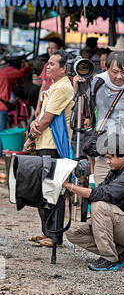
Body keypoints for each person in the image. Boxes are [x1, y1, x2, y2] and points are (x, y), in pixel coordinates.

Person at [63, 133, 124, 271]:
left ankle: (109, 259)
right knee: (73, 232)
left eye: (110, 158)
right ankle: (119, 251)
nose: (107, 162)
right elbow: (98, 191)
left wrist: (68, 186)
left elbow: (101, 195)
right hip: (120, 224)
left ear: (123, 156)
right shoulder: (117, 170)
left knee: (100, 206)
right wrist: (84, 183)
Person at [23, 50, 74, 248]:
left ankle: (55, 236)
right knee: (43, 191)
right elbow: (41, 118)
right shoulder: (54, 86)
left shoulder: (62, 88)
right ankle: (47, 231)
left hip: (54, 147)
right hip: (44, 143)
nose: (48, 66)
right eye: (49, 63)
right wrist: (34, 133)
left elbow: (46, 119)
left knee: (54, 192)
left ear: (63, 68)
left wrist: (30, 137)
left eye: (53, 64)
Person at [89, 51, 124, 185]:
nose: (119, 76)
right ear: (106, 68)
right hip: (104, 154)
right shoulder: (97, 83)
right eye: (114, 72)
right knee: (101, 193)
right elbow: (86, 110)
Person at [0, 60, 31, 156]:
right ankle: (1, 153)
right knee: (2, 132)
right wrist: (27, 67)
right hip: (1, 106)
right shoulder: (6, 71)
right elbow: (20, 73)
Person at [35, 37, 64, 117]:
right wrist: (38, 106)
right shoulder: (46, 66)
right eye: (49, 48)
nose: (50, 50)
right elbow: (43, 86)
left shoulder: (66, 67)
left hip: (59, 104)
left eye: (53, 48)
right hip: (47, 103)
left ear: (60, 48)